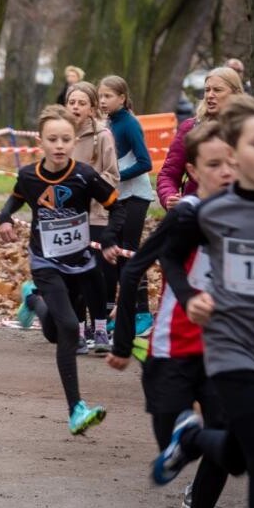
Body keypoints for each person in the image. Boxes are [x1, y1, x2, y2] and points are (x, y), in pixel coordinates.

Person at [107, 120, 238, 508]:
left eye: (231, 162)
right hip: (172, 350)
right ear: (194, 172)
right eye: (214, 165)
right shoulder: (186, 215)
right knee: (171, 444)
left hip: (223, 351)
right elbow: (136, 269)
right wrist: (123, 341)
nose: (225, 172)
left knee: (226, 444)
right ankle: (185, 435)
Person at [160, 94, 254, 508]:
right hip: (231, 350)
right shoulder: (210, 211)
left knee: (238, 453)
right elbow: (167, 256)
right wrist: (187, 296)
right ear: (235, 151)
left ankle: (196, 439)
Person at [0, 105, 124, 435]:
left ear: (74, 141)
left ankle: (32, 300)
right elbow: (15, 199)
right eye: (52, 139)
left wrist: (109, 237)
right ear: (40, 141)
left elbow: (117, 207)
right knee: (69, 328)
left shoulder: (85, 175)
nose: (59, 145)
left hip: (81, 265)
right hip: (45, 263)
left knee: (55, 332)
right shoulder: (28, 175)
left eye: (66, 139)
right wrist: (4, 217)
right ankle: (76, 410)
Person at [64, 81, 118, 352]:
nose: (75, 107)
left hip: (96, 215)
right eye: (71, 102)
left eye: (81, 103)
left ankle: (100, 330)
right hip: (66, 218)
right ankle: (78, 330)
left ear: (93, 108)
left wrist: (88, 183)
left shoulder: (103, 136)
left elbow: (113, 175)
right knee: (72, 276)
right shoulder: (61, 135)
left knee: (93, 275)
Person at [98, 75, 155, 333]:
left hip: (135, 196)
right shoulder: (108, 122)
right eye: (100, 96)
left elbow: (145, 162)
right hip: (117, 198)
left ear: (122, 98)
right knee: (117, 255)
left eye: (108, 96)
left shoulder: (130, 123)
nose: (102, 101)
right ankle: (123, 312)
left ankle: (142, 312)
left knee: (129, 253)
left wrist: (116, 177)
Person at [156, 67, 244, 210]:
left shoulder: (249, 128)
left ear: (236, 94)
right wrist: (169, 197)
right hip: (197, 211)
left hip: (240, 211)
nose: (210, 95)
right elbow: (168, 174)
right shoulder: (190, 128)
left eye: (217, 90)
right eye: (207, 90)